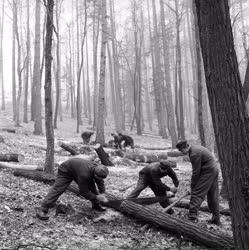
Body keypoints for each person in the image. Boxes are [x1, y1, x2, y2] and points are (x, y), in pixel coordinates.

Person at [36, 158, 109, 220]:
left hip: (78, 169)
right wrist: (96, 197)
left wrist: (103, 192)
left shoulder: (97, 168)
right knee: (58, 189)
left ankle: (96, 205)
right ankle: (43, 209)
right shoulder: (84, 175)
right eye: (98, 178)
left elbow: (100, 181)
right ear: (95, 174)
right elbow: (84, 192)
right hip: (66, 170)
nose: (100, 179)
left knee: (93, 188)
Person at [176, 140, 220, 225]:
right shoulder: (195, 149)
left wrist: (193, 185)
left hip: (208, 172)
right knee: (212, 195)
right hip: (213, 170)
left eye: (182, 151)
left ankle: (192, 217)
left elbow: (196, 172)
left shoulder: (194, 154)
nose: (182, 153)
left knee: (197, 193)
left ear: (185, 147)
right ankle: (216, 219)